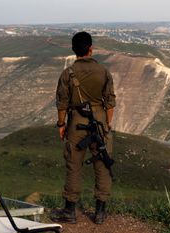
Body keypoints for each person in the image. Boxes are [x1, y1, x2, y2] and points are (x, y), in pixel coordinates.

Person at [53, 31, 116, 225]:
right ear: (91, 49)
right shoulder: (104, 72)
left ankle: (70, 210)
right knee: (102, 165)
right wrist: (107, 124)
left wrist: (61, 124)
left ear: (74, 50)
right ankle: (100, 212)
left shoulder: (68, 73)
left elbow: (62, 103)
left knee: (73, 165)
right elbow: (110, 103)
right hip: (99, 120)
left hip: (76, 121)